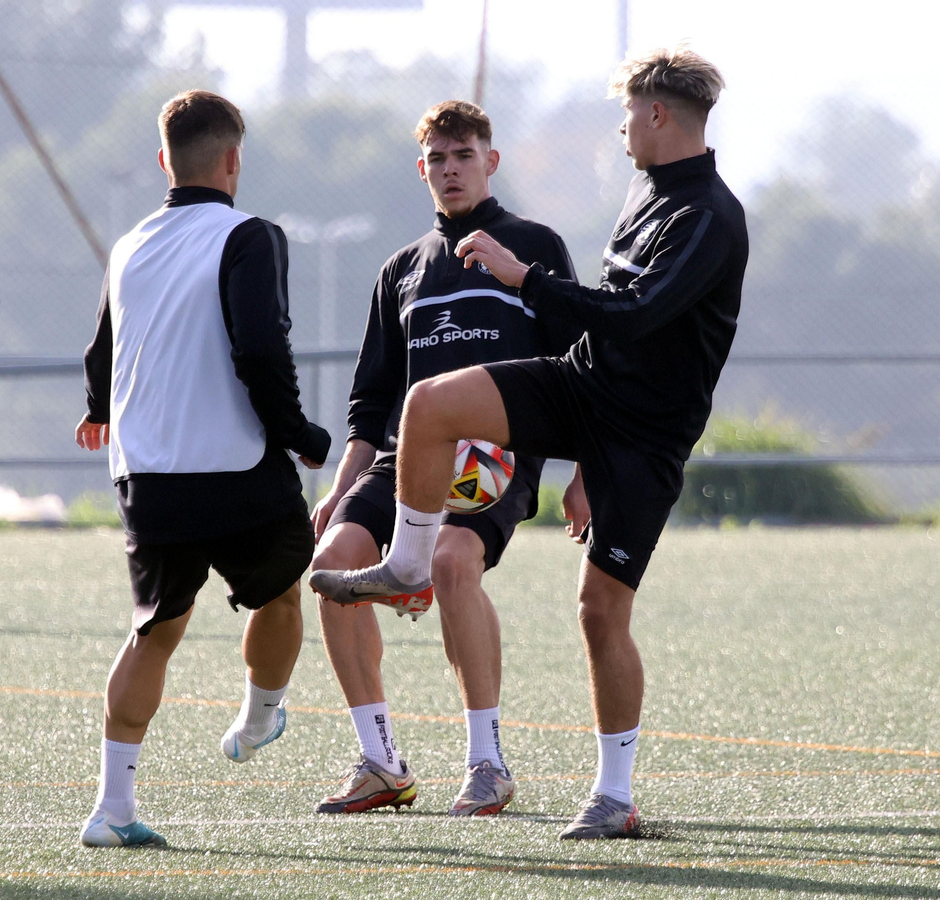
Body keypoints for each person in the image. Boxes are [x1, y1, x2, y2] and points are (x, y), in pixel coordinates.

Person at [311, 45, 747, 839]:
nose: (621, 129)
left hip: (643, 436)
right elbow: (601, 318)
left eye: (627, 114)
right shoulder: (646, 188)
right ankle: (406, 564)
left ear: (657, 115)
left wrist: (523, 278)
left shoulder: (708, 215)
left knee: (600, 612)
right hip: (581, 385)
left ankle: (613, 796)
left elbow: (633, 316)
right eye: (436, 158)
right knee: (430, 403)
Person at [308, 100, 584, 818]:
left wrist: (587, 472)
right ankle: (380, 761)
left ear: (491, 161)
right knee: (333, 562)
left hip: (494, 458)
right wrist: (340, 488)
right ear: (422, 169)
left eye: (464, 155)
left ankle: (487, 763)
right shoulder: (400, 269)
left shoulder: (535, 246)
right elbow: (371, 403)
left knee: (454, 561)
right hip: (404, 460)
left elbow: (581, 365)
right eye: (438, 158)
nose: (451, 169)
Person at [75, 90, 330, 849]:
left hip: (147, 473)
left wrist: (98, 409)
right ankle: (258, 718)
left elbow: (102, 346)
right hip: (236, 466)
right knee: (282, 594)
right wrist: (300, 434)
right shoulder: (250, 235)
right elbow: (260, 347)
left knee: (153, 630)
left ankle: (111, 809)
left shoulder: (128, 245)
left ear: (164, 161)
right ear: (233, 160)